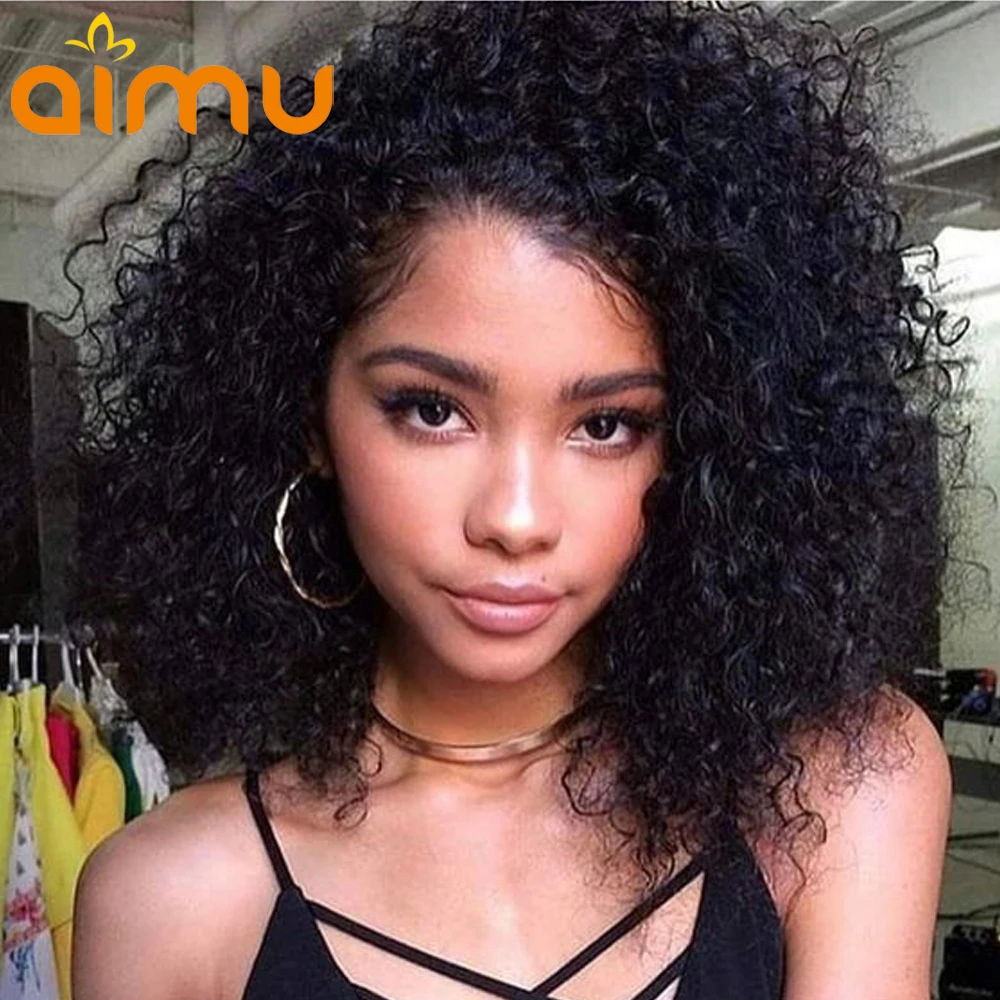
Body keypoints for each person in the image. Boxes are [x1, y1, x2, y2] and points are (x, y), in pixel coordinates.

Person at [55, 2, 967, 998]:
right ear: (308, 411)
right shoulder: (172, 899)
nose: (516, 518)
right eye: (432, 410)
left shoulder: (835, 786)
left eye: (606, 425)